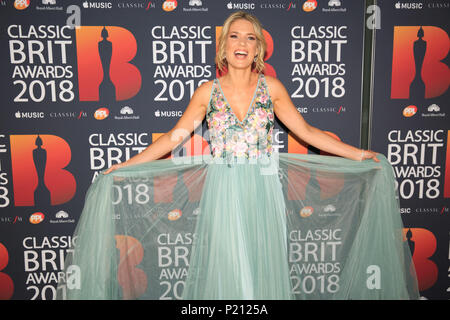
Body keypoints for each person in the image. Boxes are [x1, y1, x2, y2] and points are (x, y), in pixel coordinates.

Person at [60, 11, 418, 300]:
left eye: (250, 37)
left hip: (263, 192)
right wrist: (124, 166)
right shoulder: (207, 93)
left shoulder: (272, 89)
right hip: (223, 192)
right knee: (229, 272)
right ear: (224, 45)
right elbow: (173, 138)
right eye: (235, 36)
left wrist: (358, 155)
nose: (242, 43)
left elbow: (307, 133)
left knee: (262, 270)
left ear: (259, 47)